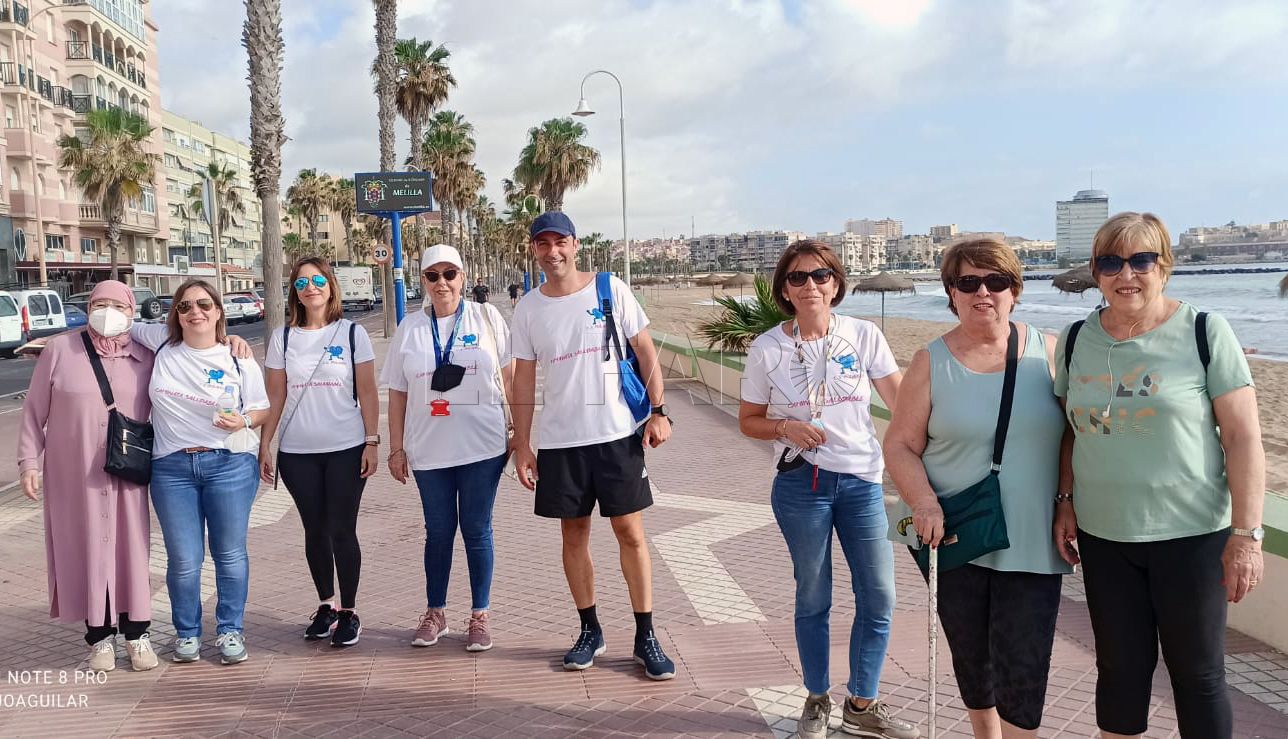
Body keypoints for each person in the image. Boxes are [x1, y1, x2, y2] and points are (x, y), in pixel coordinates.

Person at [1053, 212, 1265, 739]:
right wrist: (1065, 500)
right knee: (1120, 673)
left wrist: (1246, 535)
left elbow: (1243, 438)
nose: (1126, 274)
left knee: (1198, 676)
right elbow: (1070, 430)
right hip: (1105, 536)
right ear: (1095, 272)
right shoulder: (1077, 339)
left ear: (1164, 266)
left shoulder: (1203, 332)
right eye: (1110, 262)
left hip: (1191, 536)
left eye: (1141, 260)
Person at [883, 238, 1072, 739]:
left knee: (1025, 664)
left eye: (996, 281)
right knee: (972, 656)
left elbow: (1075, 437)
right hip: (955, 534)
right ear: (951, 292)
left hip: (1032, 537)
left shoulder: (1050, 354)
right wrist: (923, 502)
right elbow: (899, 445)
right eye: (968, 282)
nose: (983, 292)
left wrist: (1067, 502)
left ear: (1015, 290)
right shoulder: (930, 361)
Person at [739, 239, 916, 739]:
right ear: (785, 290)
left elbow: (902, 402)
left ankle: (862, 702)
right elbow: (748, 420)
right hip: (801, 486)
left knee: (879, 595)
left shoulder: (863, 334)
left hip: (862, 483)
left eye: (820, 275)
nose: (811, 285)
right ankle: (817, 698)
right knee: (813, 596)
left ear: (836, 283)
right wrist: (784, 428)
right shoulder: (768, 347)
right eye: (798, 277)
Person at [509, 212, 677, 681]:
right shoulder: (528, 308)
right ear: (535, 251)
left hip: (617, 434)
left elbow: (645, 349)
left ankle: (646, 635)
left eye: (559, 241)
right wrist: (522, 444)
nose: (552, 251)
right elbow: (522, 380)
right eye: (542, 244)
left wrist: (659, 412)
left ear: (575, 244)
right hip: (562, 441)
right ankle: (590, 630)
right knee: (573, 536)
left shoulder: (609, 288)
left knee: (630, 531)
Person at [17, 281, 159, 672]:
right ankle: (98, 637)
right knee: (84, 550)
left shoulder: (146, 354)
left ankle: (137, 633)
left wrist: (236, 343)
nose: (108, 311)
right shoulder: (60, 350)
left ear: (131, 312)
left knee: (131, 549)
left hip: (126, 472)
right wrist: (29, 462)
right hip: (73, 474)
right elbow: (34, 412)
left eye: (117, 304)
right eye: (99, 303)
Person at [131, 279, 270, 666]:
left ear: (219, 311)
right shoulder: (160, 341)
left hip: (229, 464)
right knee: (184, 558)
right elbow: (112, 324)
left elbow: (261, 409)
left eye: (205, 305)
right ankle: (187, 634)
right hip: (171, 468)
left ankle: (229, 630)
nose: (196, 312)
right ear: (176, 313)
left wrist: (242, 419)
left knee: (229, 554)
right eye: (186, 305)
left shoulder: (239, 357)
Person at [382, 244, 512, 653]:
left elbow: (511, 377)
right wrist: (396, 448)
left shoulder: (488, 317)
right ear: (423, 281)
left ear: (463, 277)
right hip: (429, 451)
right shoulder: (410, 329)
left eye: (449, 274)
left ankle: (480, 616)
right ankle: (435, 612)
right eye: (433, 276)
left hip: (483, 447)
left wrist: (521, 435)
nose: (442, 283)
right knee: (437, 532)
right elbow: (398, 393)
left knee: (477, 530)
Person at [259, 258, 380, 648]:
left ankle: (349, 611)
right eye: (301, 283)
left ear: (330, 285)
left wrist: (372, 441)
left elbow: (368, 392)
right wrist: (266, 443)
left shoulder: (352, 333)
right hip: (298, 452)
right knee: (314, 530)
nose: (310, 287)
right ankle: (325, 605)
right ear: (294, 291)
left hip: (346, 447)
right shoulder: (284, 337)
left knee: (343, 529)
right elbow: (275, 395)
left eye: (317, 280)